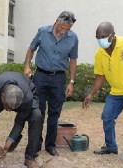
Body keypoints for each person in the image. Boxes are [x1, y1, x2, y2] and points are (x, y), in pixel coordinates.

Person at [82, 22, 123, 168]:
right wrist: (91, 94)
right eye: (97, 37)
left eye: (103, 36)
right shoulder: (100, 53)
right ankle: (111, 146)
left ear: (112, 34)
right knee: (107, 116)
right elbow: (100, 77)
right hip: (116, 92)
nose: (100, 40)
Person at [24, 11, 78, 156]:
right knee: (37, 112)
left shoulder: (73, 38)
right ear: (57, 21)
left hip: (58, 79)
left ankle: (50, 145)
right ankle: (36, 143)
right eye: (62, 28)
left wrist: (71, 82)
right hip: (40, 76)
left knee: (54, 114)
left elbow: (73, 60)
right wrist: (27, 66)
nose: (64, 31)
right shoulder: (42, 32)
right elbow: (31, 49)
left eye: (68, 29)